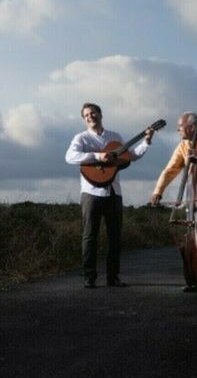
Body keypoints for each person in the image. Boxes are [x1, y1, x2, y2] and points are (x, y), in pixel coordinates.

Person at [65, 103, 154, 289]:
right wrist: (98, 157)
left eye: (93, 113)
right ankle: (89, 277)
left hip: (114, 192)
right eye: (87, 115)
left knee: (115, 237)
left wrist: (146, 141)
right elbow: (70, 157)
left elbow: (132, 156)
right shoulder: (81, 138)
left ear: (100, 114)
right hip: (91, 193)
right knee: (90, 236)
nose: (91, 117)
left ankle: (113, 278)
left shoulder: (115, 137)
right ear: (84, 119)